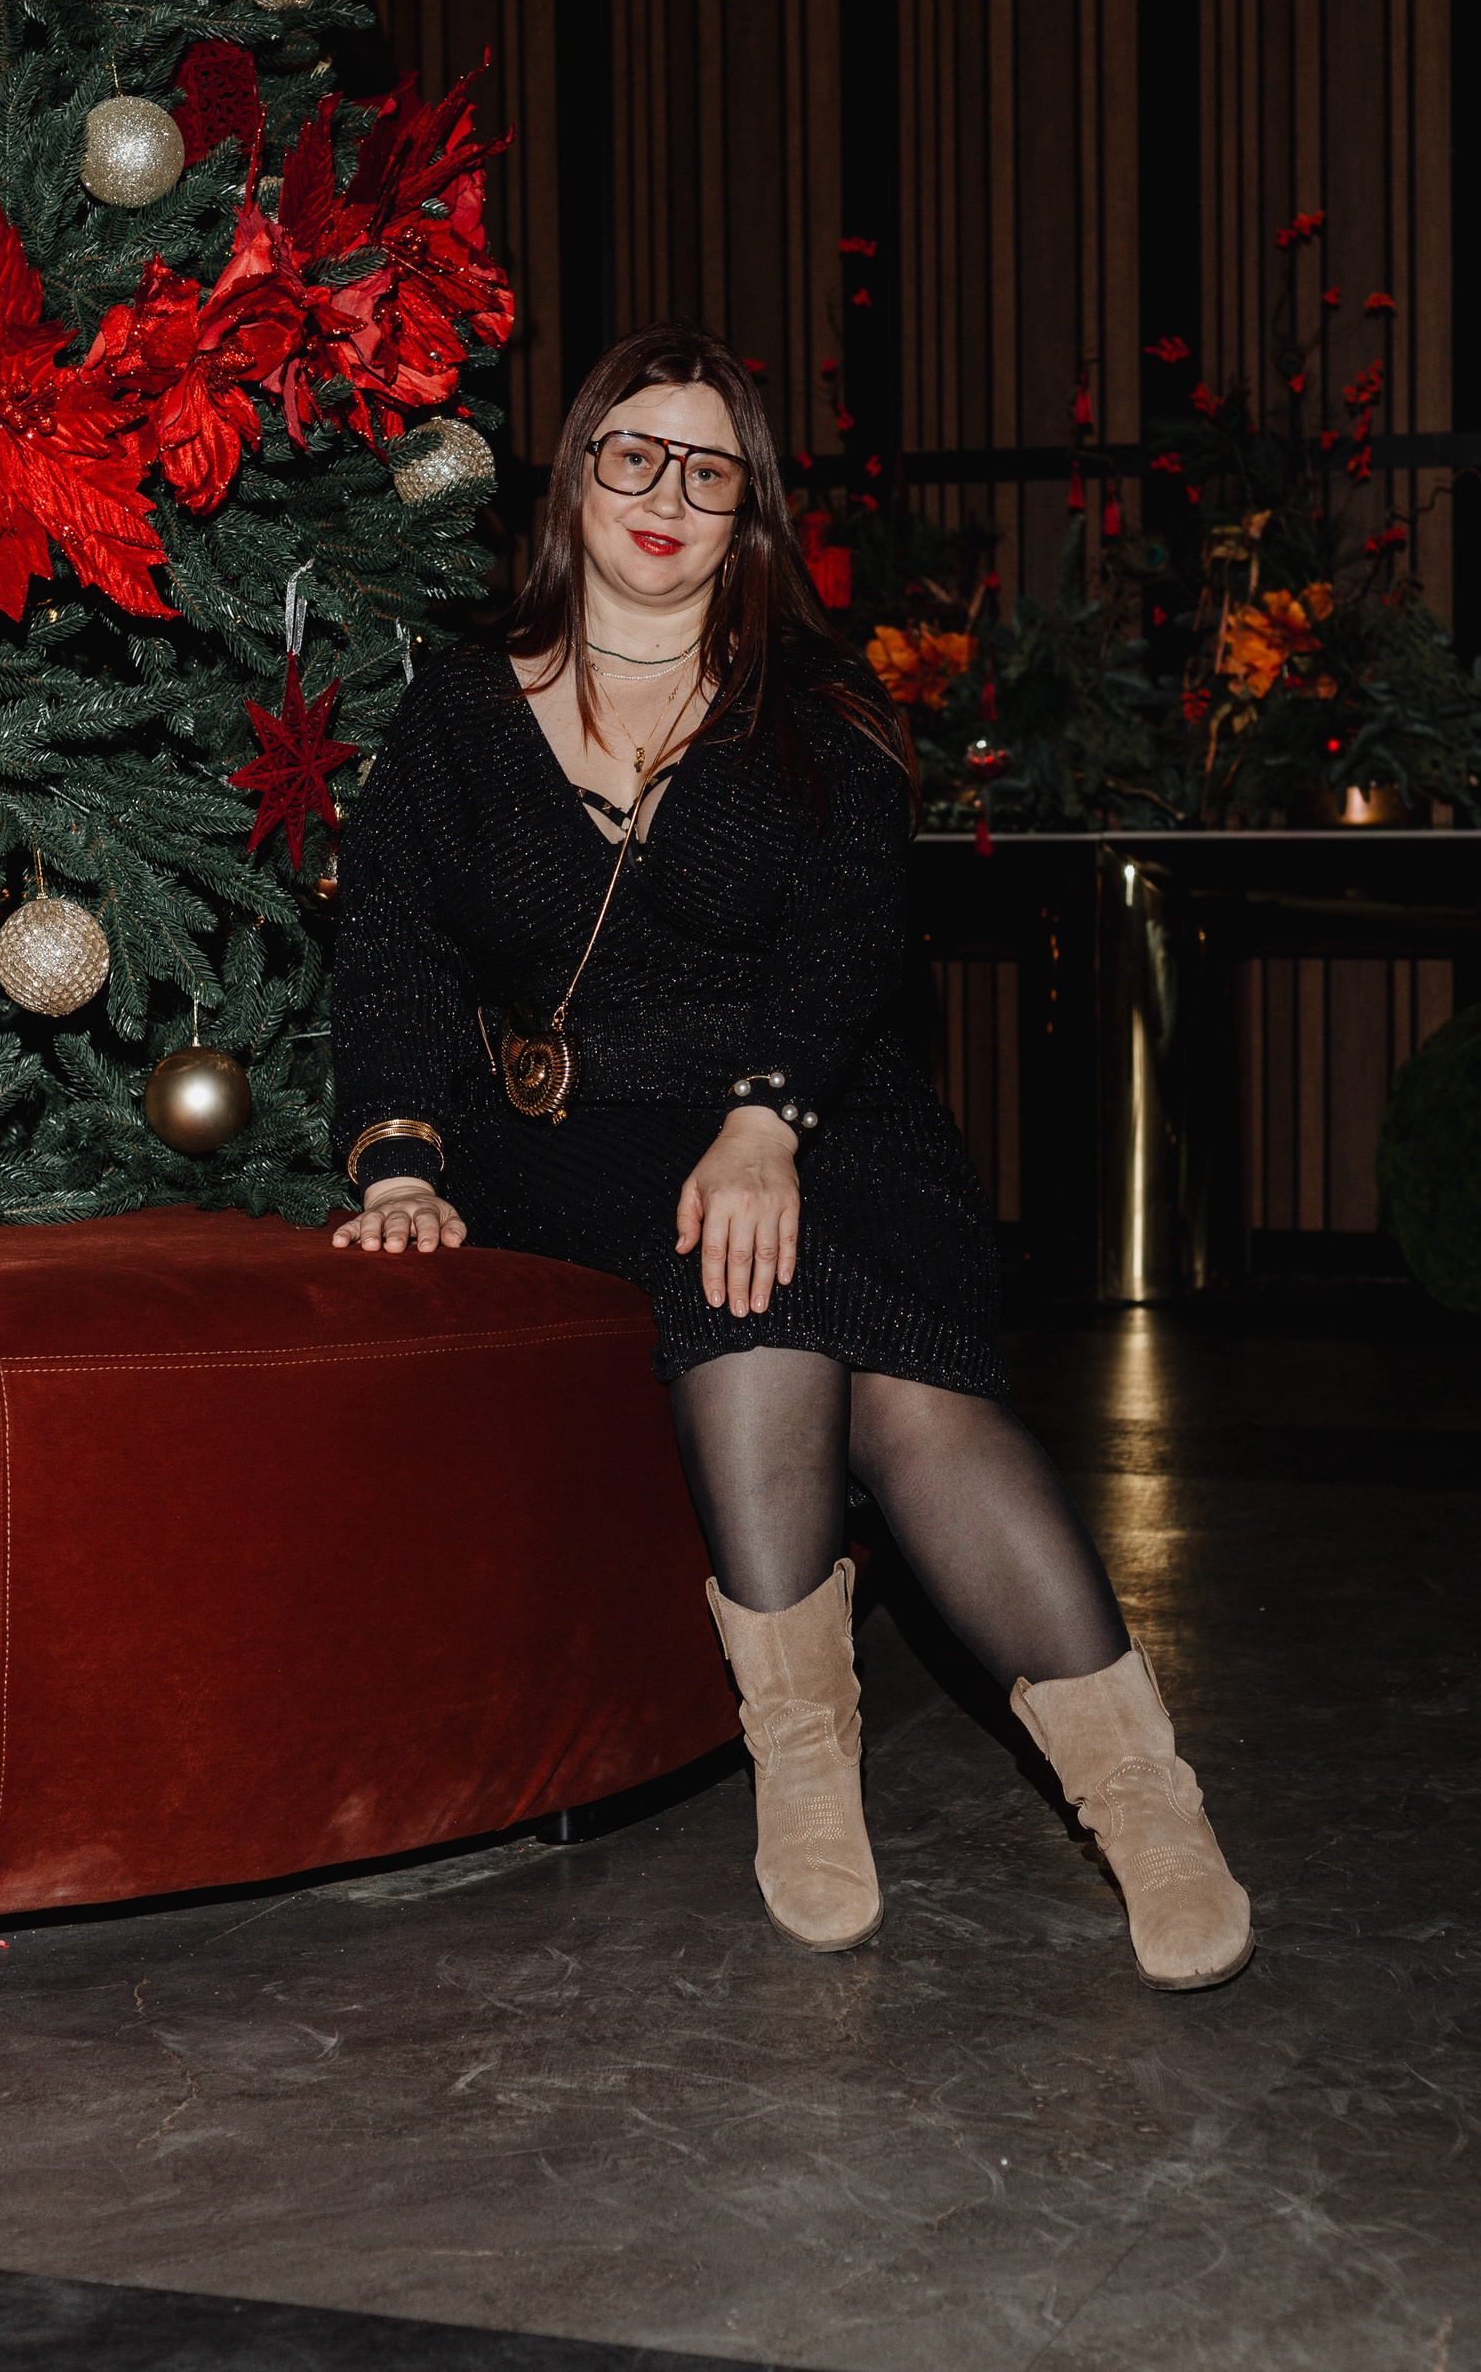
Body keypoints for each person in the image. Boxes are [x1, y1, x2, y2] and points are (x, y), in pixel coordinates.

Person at [329, 324, 1251, 1989]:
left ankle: (1145, 1804)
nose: (666, 495)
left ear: (748, 513)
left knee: (861, 1343)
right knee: (744, 1267)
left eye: (710, 471)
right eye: (635, 454)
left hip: (829, 1114)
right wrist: (399, 1158)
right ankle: (809, 1762)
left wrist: (764, 1120)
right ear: (577, 472)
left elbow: (844, 953)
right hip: (573, 1136)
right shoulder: (459, 709)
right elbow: (390, 948)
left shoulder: (818, 716)